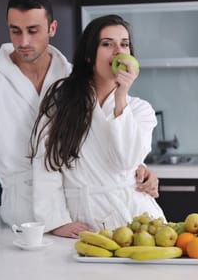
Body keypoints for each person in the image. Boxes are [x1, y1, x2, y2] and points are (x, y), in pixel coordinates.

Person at [0, 0, 157, 227]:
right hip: (25, 207)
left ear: (52, 29)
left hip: (74, 207)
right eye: (15, 31)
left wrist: (138, 169)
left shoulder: (71, 77)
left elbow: (101, 145)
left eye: (33, 30)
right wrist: (55, 221)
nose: (23, 41)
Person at [30, 14, 165, 238]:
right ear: (89, 55)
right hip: (84, 221)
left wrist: (121, 97)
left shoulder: (141, 111)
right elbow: (46, 165)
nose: (118, 51)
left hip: (138, 218)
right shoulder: (62, 104)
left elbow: (126, 161)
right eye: (107, 44)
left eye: (124, 44)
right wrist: (56, 221)